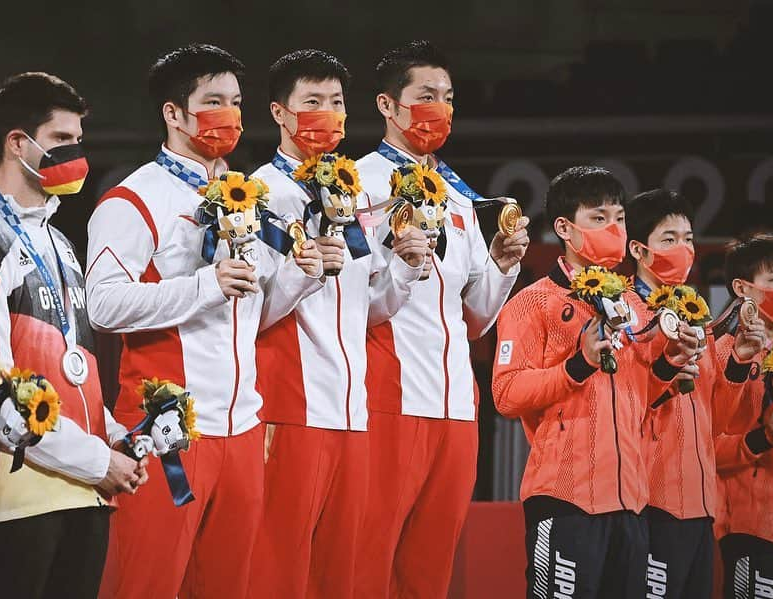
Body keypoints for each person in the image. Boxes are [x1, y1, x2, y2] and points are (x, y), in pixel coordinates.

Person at [85, 43, 323, 599]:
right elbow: (103, 305)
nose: (229, 116)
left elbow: (252, 313)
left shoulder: (247, 198)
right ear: (173, 113)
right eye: (212, 101)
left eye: (236, 103)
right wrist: (203, 286)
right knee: (145, 586)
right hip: (169, 428)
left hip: (241, 429)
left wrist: (300, 276)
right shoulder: (134, 198)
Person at [0, 72, 148, 599]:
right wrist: (97, 459)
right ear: (18, 143)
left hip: (81, 491)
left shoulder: (60, 241)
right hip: (19, 499)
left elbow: (77, 369)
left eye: (78, 141)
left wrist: (115, 436)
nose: (76, 154)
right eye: (62, 140)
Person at [354, 39, 530, 598]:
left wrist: (501, 267)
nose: (440, 109)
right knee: (372, 556)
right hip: (390, 394)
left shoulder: (457, 197)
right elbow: (355, 302)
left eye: (448, 97)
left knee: (431, 566)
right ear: (387, 105)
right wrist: (400, 267)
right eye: (425, 95)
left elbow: (475, 319)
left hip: (456, 403)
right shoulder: (356, 184)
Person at [250, 49, 428, 598]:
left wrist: (404, 265)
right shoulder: (257, 195)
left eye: (336, 103)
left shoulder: (352, 194)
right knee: (280, 570)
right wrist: (302, 275)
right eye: (312, 103)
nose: (327, 114)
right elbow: (246, 316)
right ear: (280, 113)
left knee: (340, 575)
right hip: (291, 407)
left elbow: (370, 307)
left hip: (352, 413)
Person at [492, 166, 698, 598]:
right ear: (564, 228)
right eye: (599, 218)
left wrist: (666, 369)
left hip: (631, 502)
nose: (614, 228)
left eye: (620, 218)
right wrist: (577, 366)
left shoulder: (637, 309)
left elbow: (640, 401)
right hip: (566, 500)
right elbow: (506, 395)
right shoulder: (532, 304)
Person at [624, 189, 765, 599]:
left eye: (688, 239)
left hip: (700, 504)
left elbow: (716, 419)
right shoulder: (626, 314)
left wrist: (737, 360)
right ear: (639, 249)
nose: (684, 249)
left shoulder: (696, 318)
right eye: (669, 239)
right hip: (650, 500)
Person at [715, 235, 773, 599]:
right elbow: (705, 445)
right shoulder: (719, 352)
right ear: (741, 288)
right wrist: (761, 437)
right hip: (752, 528)